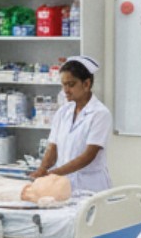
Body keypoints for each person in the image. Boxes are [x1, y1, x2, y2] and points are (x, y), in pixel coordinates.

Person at [34, 56, 113, 194]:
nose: (65, 90)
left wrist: (53, 173)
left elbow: (88, 156)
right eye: (63, 84)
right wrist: (42, 170)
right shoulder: (63, 112)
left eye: (71, 84)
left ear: (86, 84)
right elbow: (52, 148)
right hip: (64, 184)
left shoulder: (100, 114)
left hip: (90, 186)